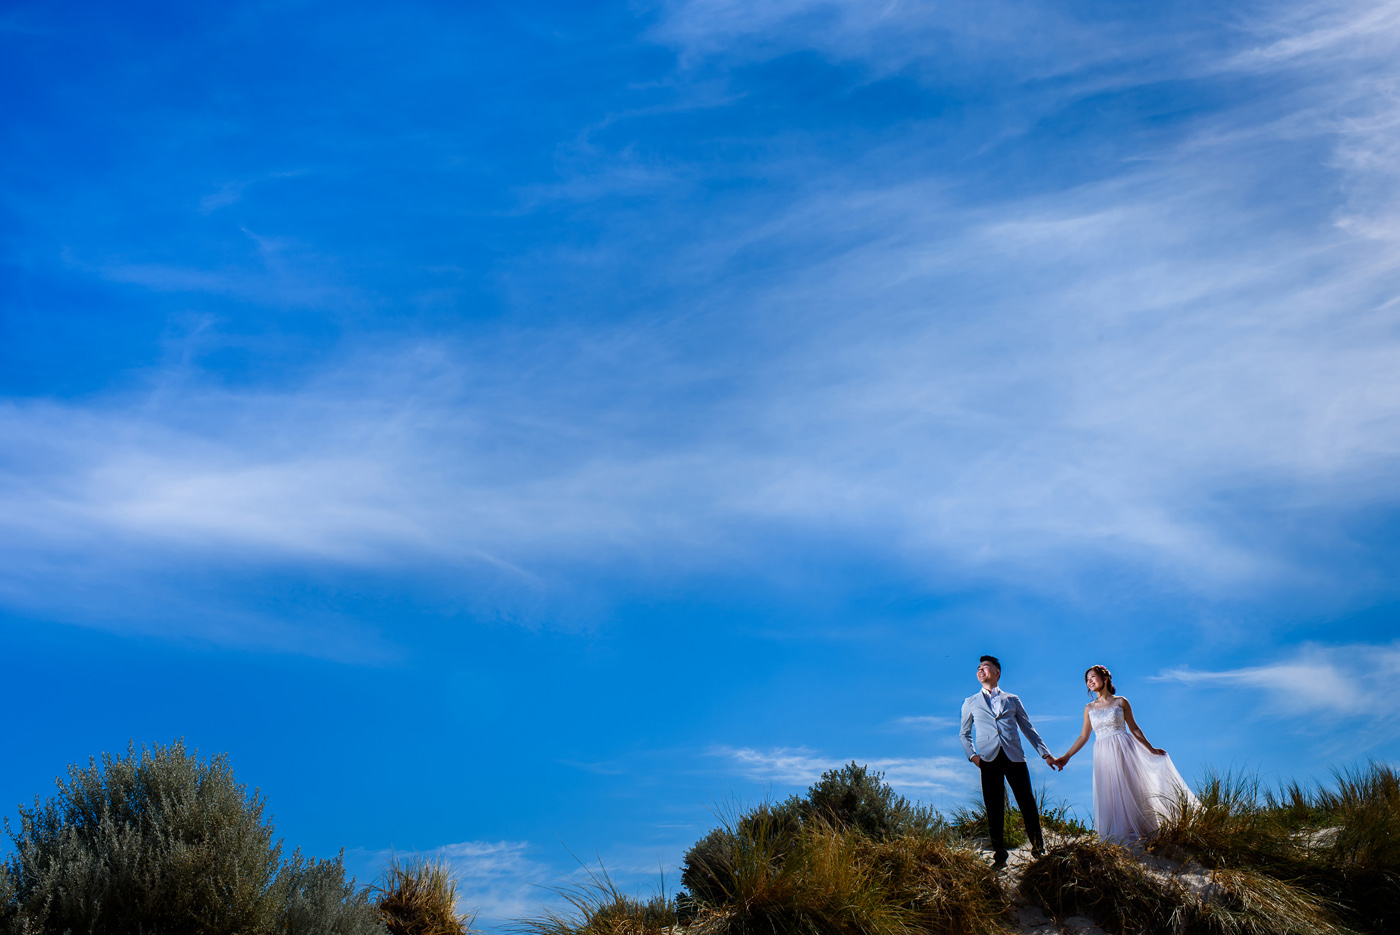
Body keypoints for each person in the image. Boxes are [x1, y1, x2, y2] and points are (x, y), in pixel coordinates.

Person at [1052, 665, 1198, 845]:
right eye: (1087, 680)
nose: (1089, 682)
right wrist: (1066, 757)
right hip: (1103, 753)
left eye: (1093, 677)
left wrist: (1151, 749)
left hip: (1123, 748)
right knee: (1110, 792)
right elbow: (1083, 736)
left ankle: (1147, 833)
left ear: (1105, 678)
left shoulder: (1121, 702)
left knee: (1132, 788)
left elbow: (1134, 729)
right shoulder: (1089, 708)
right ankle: (1119, 838)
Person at [959, 655, 1059, 869]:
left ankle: (1038, 848)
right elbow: (964, 734)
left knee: (1027, 803)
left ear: (997, 672)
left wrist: (1046, 754)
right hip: (988, 759)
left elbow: (1028, 729)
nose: (980, 670)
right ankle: (999, 855)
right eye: (978, 668)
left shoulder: (1012, 699)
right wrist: (973, 756)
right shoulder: (970, 702)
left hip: (1015, 757)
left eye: (985, 667)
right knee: (993, 807)